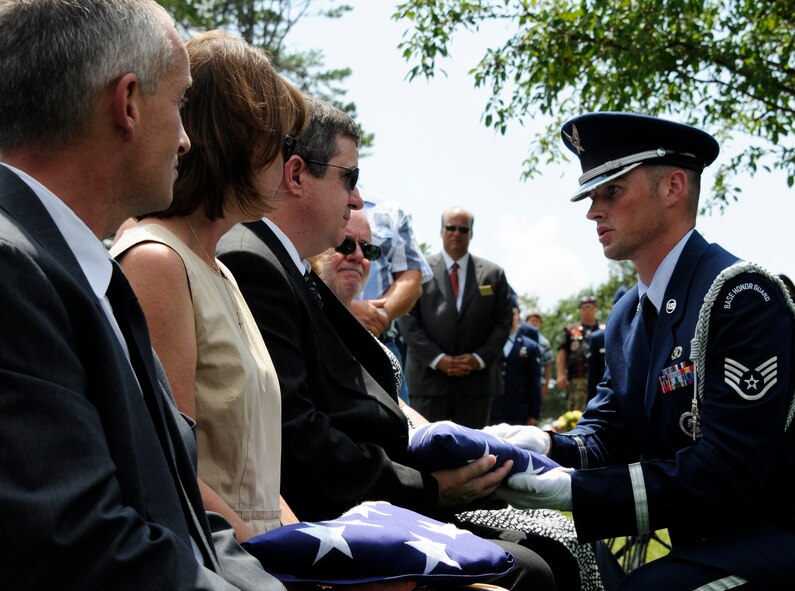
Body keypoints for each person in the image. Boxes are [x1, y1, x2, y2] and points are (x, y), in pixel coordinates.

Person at [218, 98, 556, 591]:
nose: (357, 200)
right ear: (295, 175)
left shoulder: (283, 265)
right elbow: (301, 434)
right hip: (339, 514)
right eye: (348, 178)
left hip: (376, 489)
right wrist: (432, 490)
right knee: (532, 569)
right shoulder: (255, 262)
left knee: (546, 545)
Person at [0, 1, 280, 588]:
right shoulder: (13, 270)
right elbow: (81, 545)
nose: (186, 139)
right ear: (127, 103)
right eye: (180, 103)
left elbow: (180, 510)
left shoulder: (81, 270)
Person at [499, 112, 795, 589]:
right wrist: (542, 446)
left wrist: (574, 491)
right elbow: (607, 437)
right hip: (702, 544)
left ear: (673, 187)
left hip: (774, 535)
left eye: (611, 191)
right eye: (592, 196)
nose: (593, 211)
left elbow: (729, 473)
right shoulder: (627, 315)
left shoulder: (740, 297)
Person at [111, 30, 307, 541]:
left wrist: (318, 551)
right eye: (284, 143)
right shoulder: (156, 262)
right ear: (238, 137)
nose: (290, 168)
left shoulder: (219, 269)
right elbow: (173, 473)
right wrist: (286, 567)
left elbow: (258, 479)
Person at [400, 208, 513, 428]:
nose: (456, 233)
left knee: (475, 453)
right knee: (426, 454)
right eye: (451, 227)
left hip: (476, 385)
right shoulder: (418, 271)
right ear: (441, 230)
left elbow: (503, 323)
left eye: (463, 229)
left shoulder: (493, 274)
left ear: (471, 233)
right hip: (428, 382)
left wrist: (478, 358)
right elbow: (408, 320)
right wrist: (437, 359)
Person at [351, 193, 433, 403]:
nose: (359, 256)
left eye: (369, 249)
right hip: (323, 338)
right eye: (346, 244)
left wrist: (377, 316)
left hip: (382, 344)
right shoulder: (312, 200)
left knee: (400, 430)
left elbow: (411, 279)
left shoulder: (388, 212)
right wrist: (346, 312)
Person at [490, 295, 542, 426]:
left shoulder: (530, 346)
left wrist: (534, 414)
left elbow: (534, 382)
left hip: (518, 412)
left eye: (513, 314)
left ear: (519, 318)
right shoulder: (489, 344)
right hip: (491, 411)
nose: (509, 317)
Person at [556, 295, 603, 411]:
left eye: (591, 308)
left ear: (596, 309)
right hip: (578, 379)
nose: (588, 310)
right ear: (580, 310)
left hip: (601, 378)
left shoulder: (604, 329)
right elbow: (562, 353)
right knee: (576, 413)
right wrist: (560, 374)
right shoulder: (571, 330)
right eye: (585, 307)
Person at [524, 311, 554, 399]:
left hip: (537, 381)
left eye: (537, 321)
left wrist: (546, 384)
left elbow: (547, 365)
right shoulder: (518, 339)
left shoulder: (544, 342)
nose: (535, 323)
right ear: (526, 322)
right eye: (532, 320)